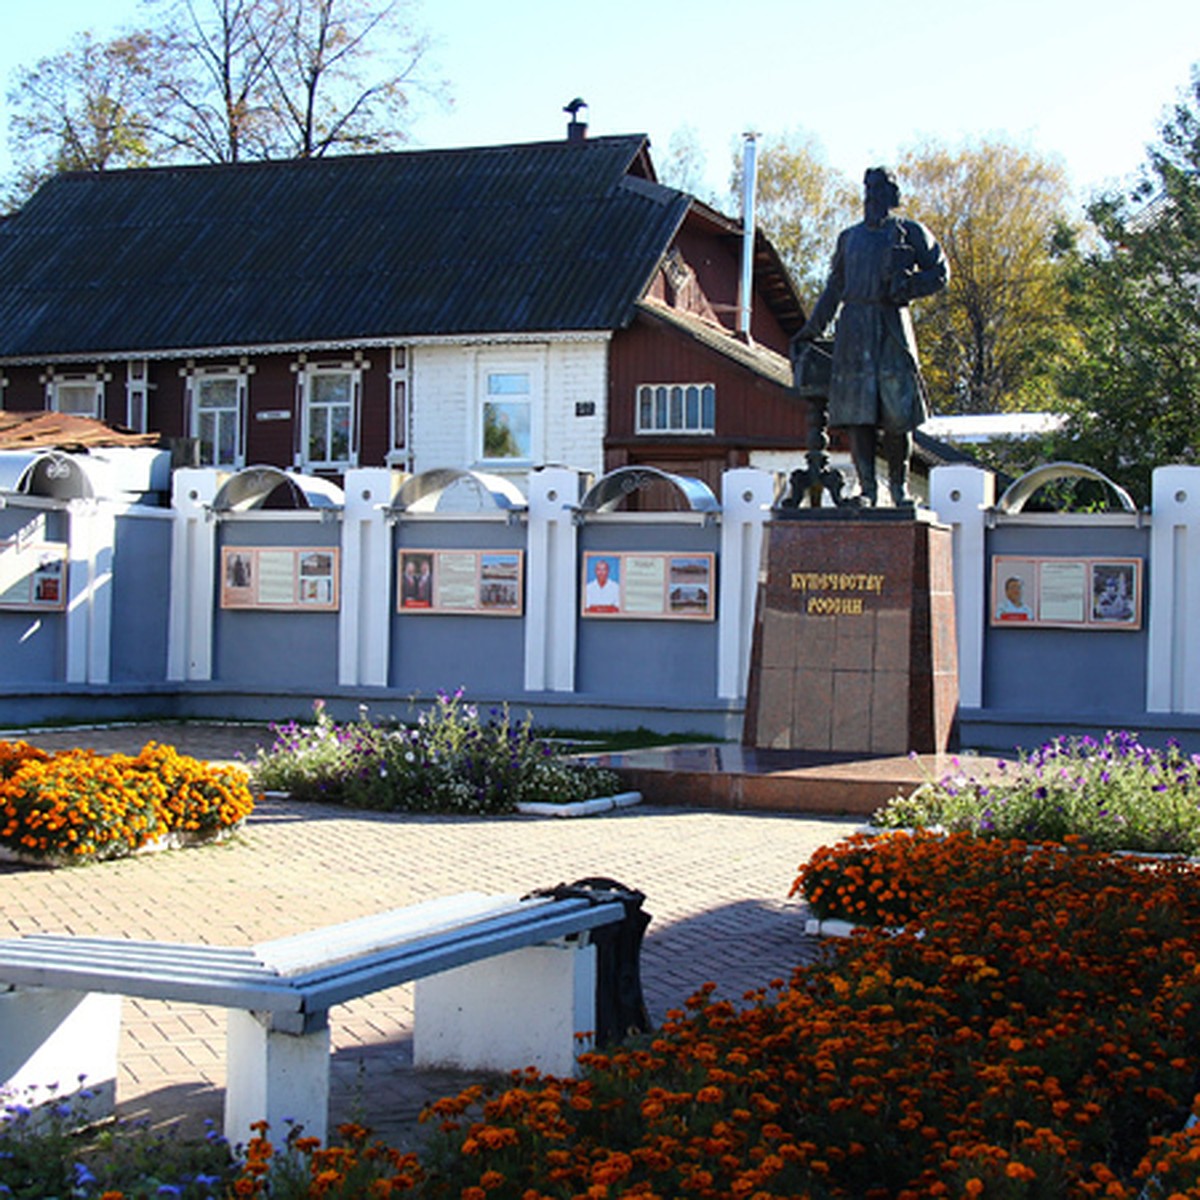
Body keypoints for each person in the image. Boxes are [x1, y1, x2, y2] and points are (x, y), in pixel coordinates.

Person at [793, 167, 949, 507]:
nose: (874, 195)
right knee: (857, 414)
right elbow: (834, 288)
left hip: (892, 322)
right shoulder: (849, 238)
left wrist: (907, 287)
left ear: (892, 195)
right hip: (854, 329)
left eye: (881, 188)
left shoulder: (909, 232)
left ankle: (899, 487)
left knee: (898, 414)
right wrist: (811, 329)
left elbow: (940, 273)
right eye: (870, 188)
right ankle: (868, 488)